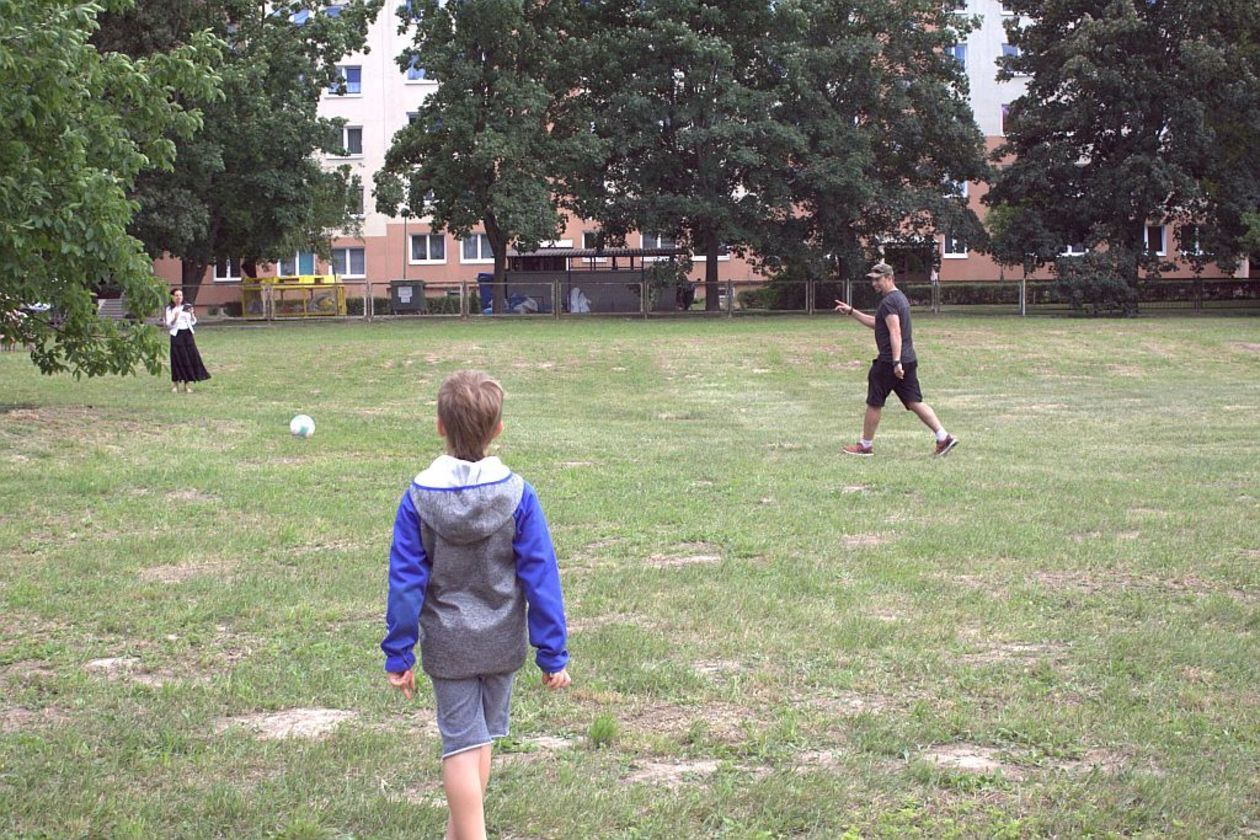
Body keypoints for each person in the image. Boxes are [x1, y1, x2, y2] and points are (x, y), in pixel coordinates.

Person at [382, 370, 570, 840]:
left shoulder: (416, 499)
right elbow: (541, 577)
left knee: (463, 744)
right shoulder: (520, 495)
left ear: (440, 426)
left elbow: (406, 581)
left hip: (449, 645)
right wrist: (552, 652)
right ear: (498, 429)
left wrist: (399, 652)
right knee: (477, 740)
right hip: (502, 641)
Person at [833, 261, 958, 457]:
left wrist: (896, 362)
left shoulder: (890, 301)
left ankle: (865, 446)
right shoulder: (899, 298)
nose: (874, 284)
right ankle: (944, 437)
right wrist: (852, 312)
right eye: (872, 280)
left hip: (890, 361)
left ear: (889, 278)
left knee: (874, 402)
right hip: (907, 359)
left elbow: (895, 331)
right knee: (914, 401)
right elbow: (878, 323)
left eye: (877, 279)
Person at [164, 289, 210, 393]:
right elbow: (168, 324)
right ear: (172, 297)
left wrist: (192, 314)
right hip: (176, 335)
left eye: (180, 295)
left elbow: (193, 322)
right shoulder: (169, 309)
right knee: (177, 359)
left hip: (187, 335)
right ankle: (175, 384)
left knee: (188, 358)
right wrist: (175, 318)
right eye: (176, 295)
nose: (179, 297)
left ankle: (187, 384)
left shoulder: (187, 306)